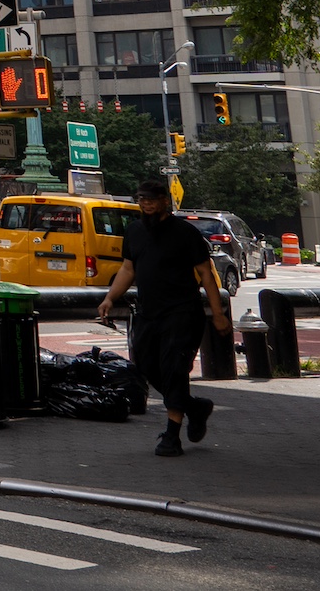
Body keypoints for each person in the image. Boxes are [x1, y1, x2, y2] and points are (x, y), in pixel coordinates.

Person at [97, 176, 231, 456]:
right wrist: (110, 298)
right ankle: (195, 407)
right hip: (148, 313)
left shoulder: (185, 233)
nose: (146, 204)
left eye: (152, 200)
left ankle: (172, 436)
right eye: (142, 199)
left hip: (182, 312)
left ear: (164, 202)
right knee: (145, 366)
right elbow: (128, 269)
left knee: (174, 369)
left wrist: (217, 314)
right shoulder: (134, 231)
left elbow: (206, 274)